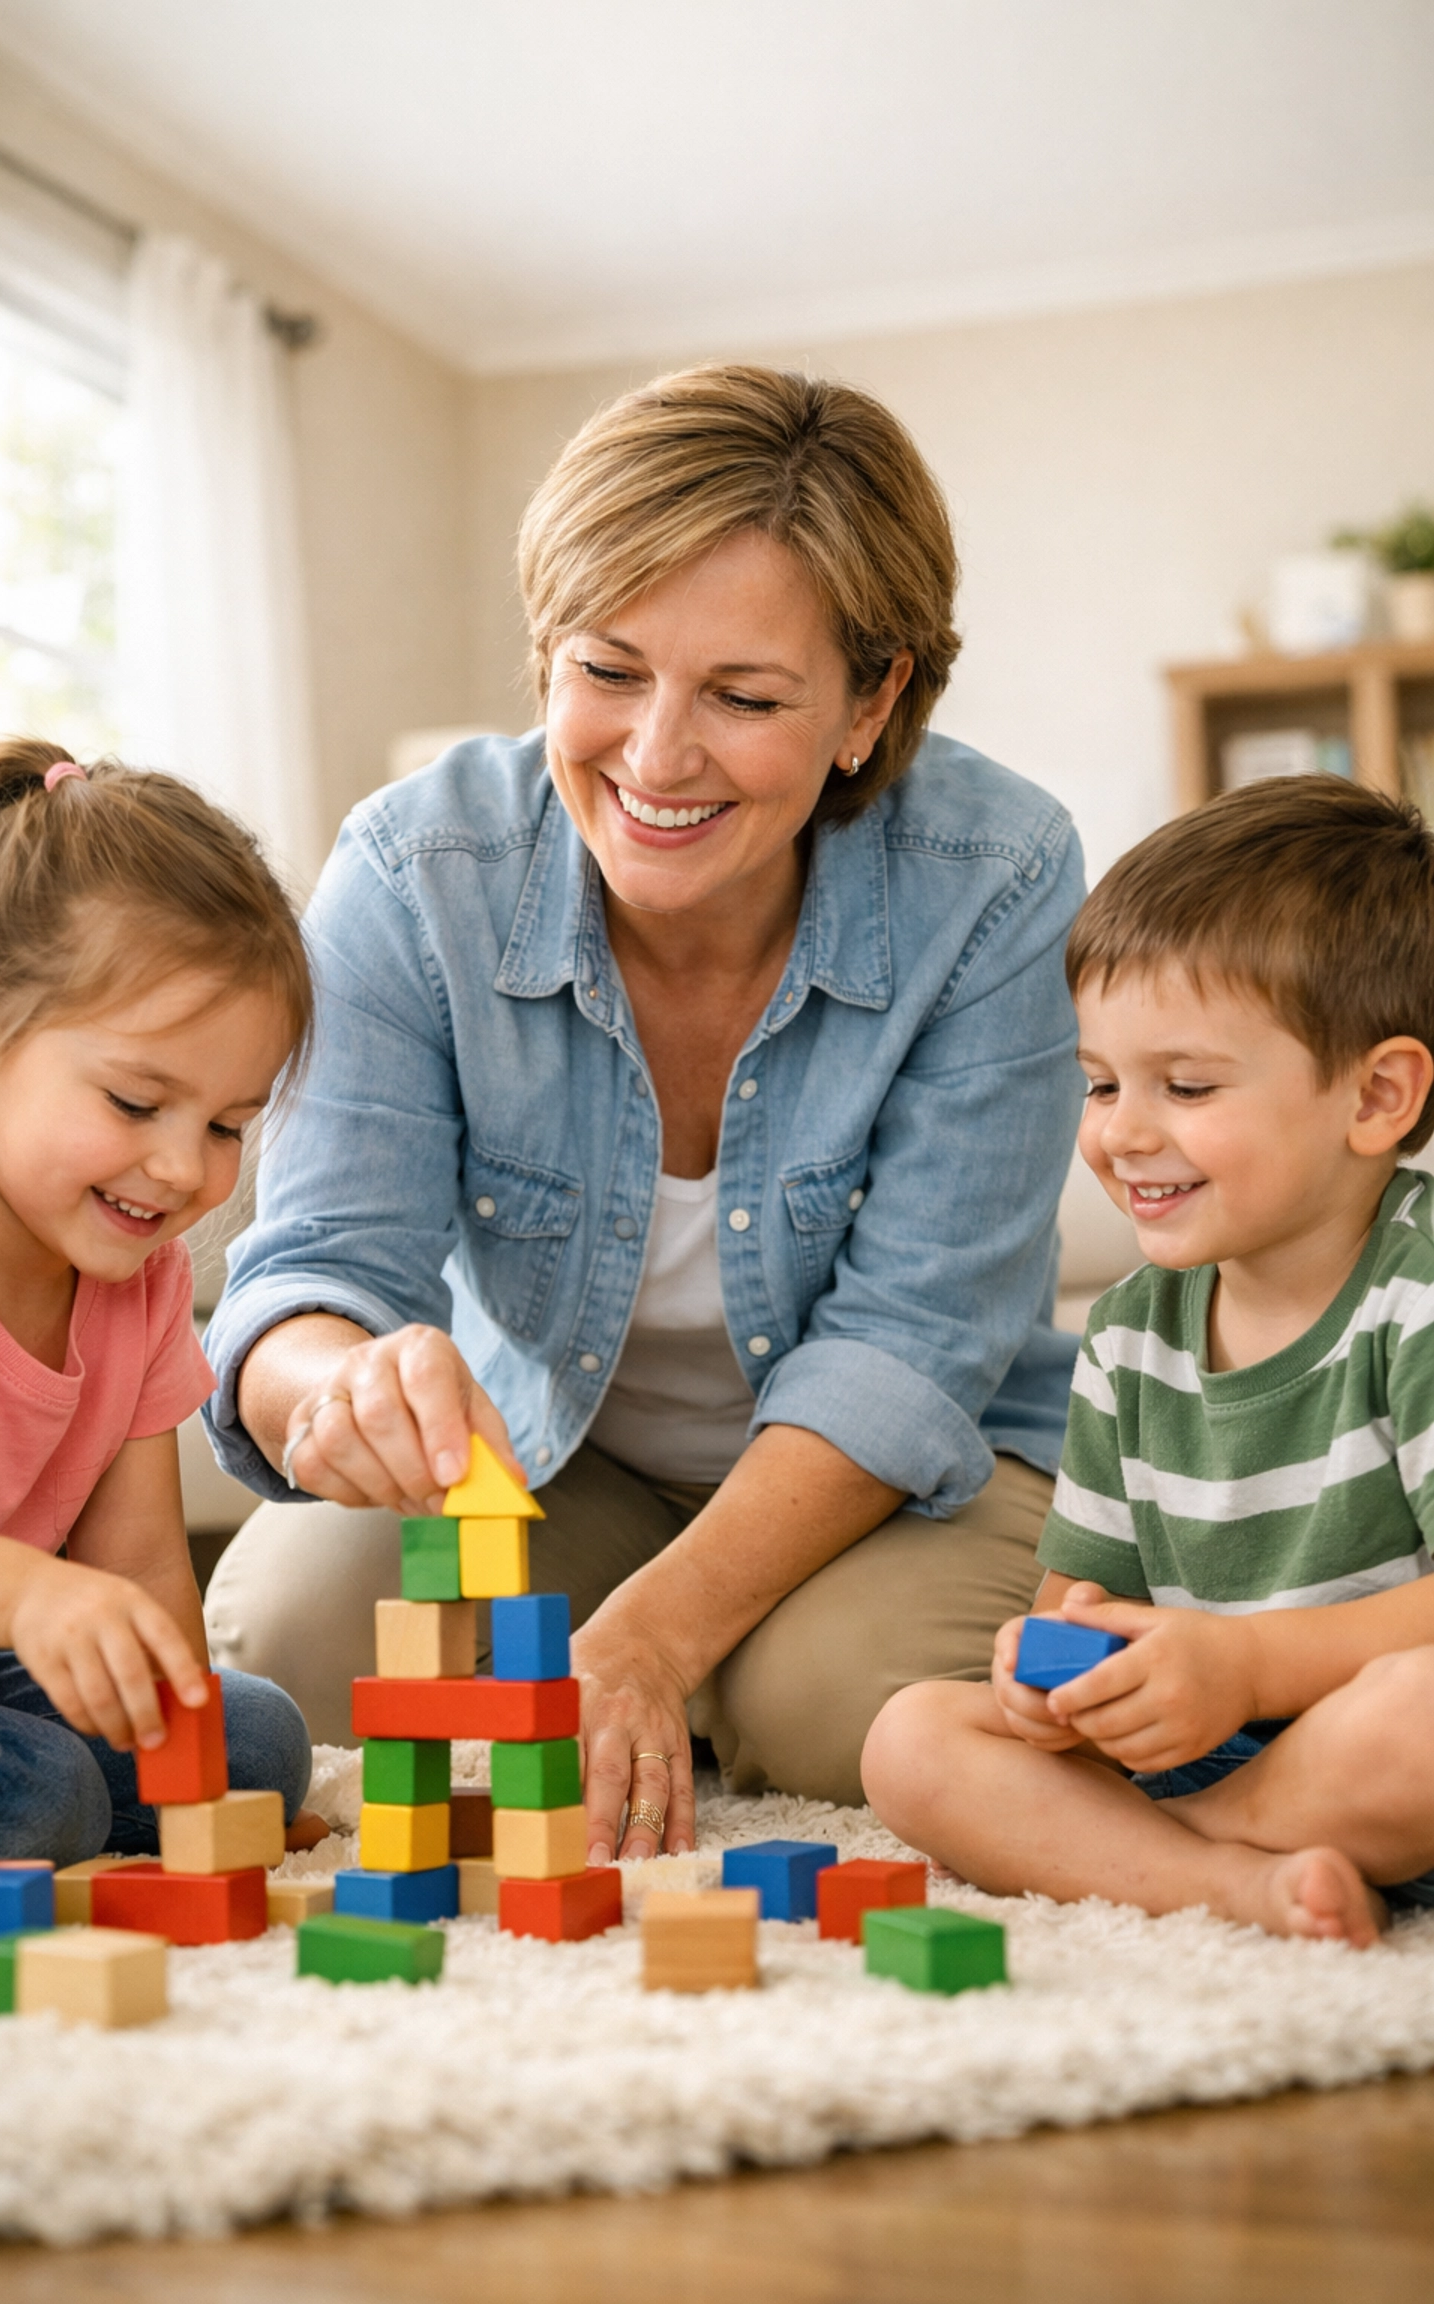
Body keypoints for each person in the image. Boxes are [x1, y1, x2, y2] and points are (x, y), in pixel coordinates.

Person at [201, 363, 1086, 1857]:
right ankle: (683, 1669)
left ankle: (720, 1665)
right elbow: (314, 1268)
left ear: (871, 702)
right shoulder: (416, 872)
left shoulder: (998, 877)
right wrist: (334, 1387)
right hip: (569, 1459)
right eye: (608, 671)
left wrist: (653, 1638)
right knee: (302, 1639)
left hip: (903, 1480)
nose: (657, 757)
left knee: (835, 1709)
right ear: (547, 650)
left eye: (744, 698)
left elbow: (914, 1343)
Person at [863, 776, 1434, 1944]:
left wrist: (1248, 1665)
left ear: (1377, 1095)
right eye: (1101, 1083)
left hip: (1371, 1740)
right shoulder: (1130, 1331)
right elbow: (1081, 1603)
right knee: (912, 1739)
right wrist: (1052, 1680)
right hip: (1198, 1742)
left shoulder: (1415, 1293)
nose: (1121, 1132)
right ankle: (1236, 1886)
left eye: (1186, 1086)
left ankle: (1206, 1838)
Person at [0, 738, 321, 1864]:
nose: (183, 1169)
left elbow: (138, 1566)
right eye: (136, 1103)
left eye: (227, 1125)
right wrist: (26, 1597)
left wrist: (199, 1798)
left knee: (252, 1741)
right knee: (32, 1793)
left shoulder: (138, 1274)